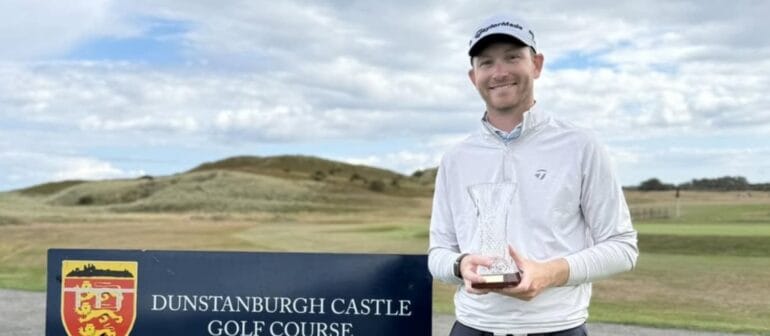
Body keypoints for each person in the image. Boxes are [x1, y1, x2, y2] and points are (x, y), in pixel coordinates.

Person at [428, 14, 639, 336]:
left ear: (536, 65)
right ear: (474, 77)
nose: (499, 72)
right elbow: (438, 253)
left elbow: (622, 247)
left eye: (512, 58)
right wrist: (460, 266)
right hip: (472, 326)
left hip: (557, 327)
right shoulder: (456, 158)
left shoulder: (580, 144)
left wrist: (549, 273)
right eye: (486, 63)